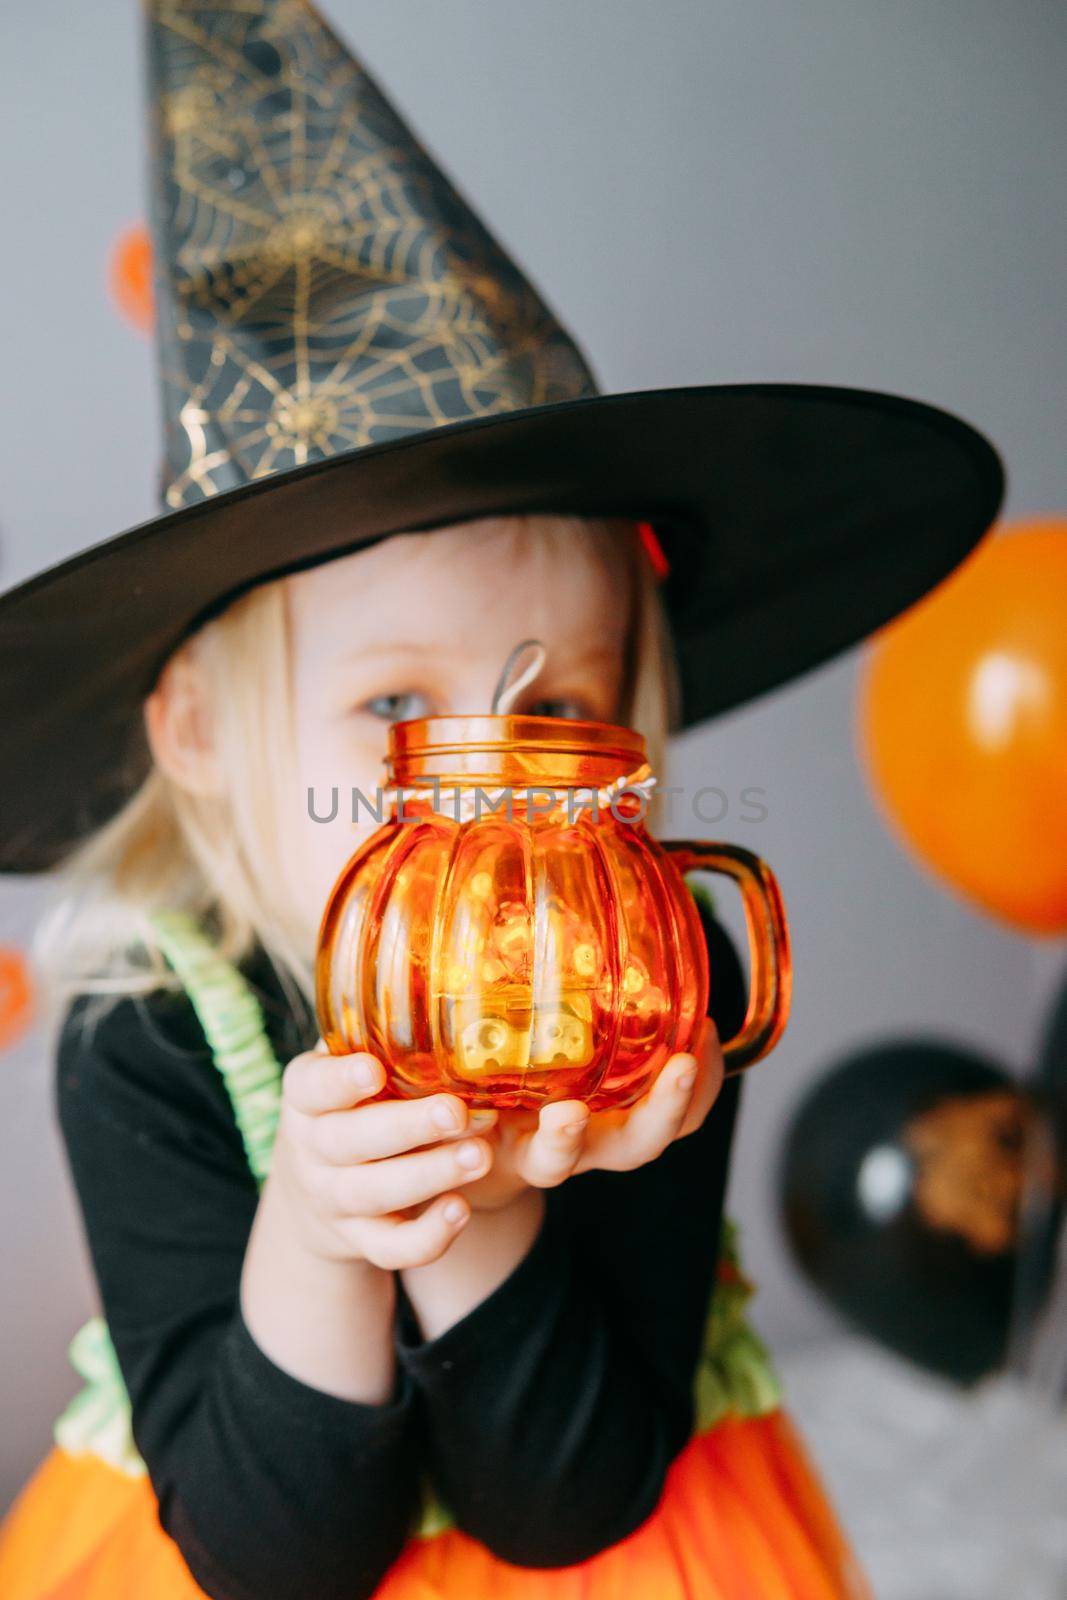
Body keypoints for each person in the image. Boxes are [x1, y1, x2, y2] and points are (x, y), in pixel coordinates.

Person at [0, 2, 1003, 1597]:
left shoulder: (658, 986)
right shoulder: (145, 1029)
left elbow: (573, 1505)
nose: (485, 788)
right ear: (196, 730)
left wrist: (475, 1206)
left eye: (557, 712)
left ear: (626, 733)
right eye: (396, 708)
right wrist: (330, 1236)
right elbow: (275, 1564)